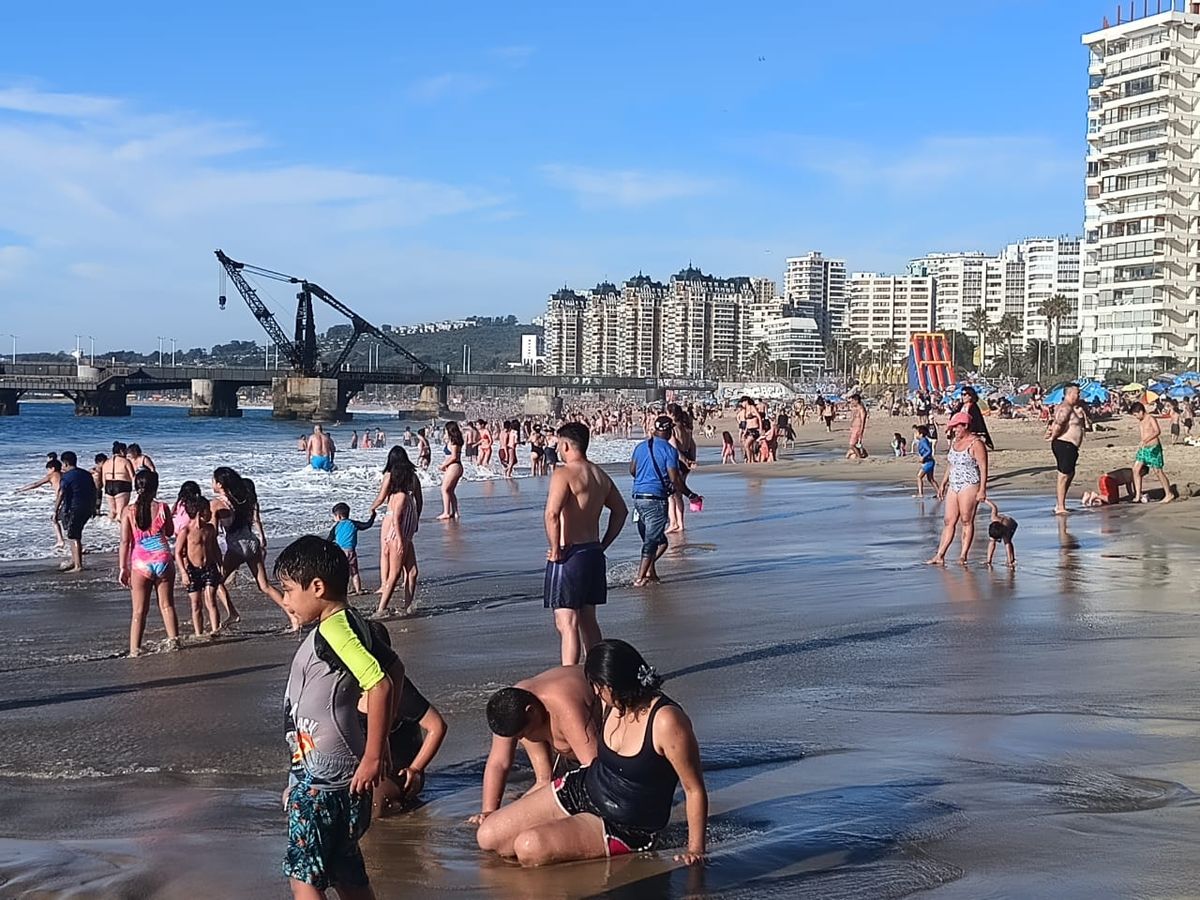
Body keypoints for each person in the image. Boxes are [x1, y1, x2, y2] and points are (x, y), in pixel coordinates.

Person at [476, 640, 708, 867]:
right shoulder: (613, 706)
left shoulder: (667, 721)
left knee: (529, 847)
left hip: (624, 824)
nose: (594, 693)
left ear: (614, 684)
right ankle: (563, 831)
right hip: (583, 788)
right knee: (488, 836)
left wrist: (695, 849)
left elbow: (693, 788)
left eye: (597, 686)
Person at [276, 536, 394, 900]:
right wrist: (381, 740)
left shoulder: (333, 629)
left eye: (288, 590)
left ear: (317, 587)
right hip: (337, 770)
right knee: (345, 868)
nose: (285, 600)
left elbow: (380, 683)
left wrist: (375, 755)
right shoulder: (353, 621)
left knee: (304, 876)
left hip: (322, 777)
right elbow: (396, 667)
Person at [470, 665, 601, 828]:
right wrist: (489, 812)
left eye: (521, 734)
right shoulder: (507, 707)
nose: (520, 739)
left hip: (600, 741)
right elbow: (499, 763)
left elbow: (595, 768)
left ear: (531, 711)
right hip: (547, 731)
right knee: (542, 784)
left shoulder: (563, 704)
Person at [543, 423, 628, 666]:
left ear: (566, 445)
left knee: (566, 622)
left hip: (570, 555)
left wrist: (556, 549)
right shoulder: (599, 474)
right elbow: (620, 511)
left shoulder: (564, 473)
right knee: (588, 619)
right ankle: (598, 673)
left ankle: (569, 675)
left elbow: (552, 514)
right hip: (592, 552)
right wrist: (603, 544)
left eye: (559, 444)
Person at [359, 621, 448, 817]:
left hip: (398, 772)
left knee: (373, 806)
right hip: (365, 763)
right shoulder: (352, 682)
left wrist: (416, 769)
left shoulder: (399, 688)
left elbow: (437, 726)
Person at [211, 467, 295, 627]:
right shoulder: (242, 498)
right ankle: (293, 617)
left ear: (220, 484)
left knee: (216, 581)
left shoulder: (217, 503)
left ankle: (232, 613)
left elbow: (213, 532)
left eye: (213, 480)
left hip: (236, 546)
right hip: (252, 541)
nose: (212, 483)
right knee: (265, 586)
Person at [628, 416, 699, 587]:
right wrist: (690, 495)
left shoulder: (640, 447)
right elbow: (674, 478)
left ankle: (651, 572)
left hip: (638, 498)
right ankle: (640, 576)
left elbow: (632, 470)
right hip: (656, 499)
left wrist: (645, 478)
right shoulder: (669, 450)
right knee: (654, 541)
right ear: (669, 431)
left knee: (656, 539)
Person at [119, 470, 180, 656]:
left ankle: (134, 650)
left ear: (136, 487)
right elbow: (169, 531)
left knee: (139, 611)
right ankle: (174, 643)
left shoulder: (128, 511)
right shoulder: (162, 507)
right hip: (163, 559)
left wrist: (123, 568)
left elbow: (125, 541)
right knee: (167, 605)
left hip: (140, 562)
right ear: (156, 487)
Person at [927, 412, 989, 566]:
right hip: (954, 484)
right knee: (949, 520)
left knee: (966, 520)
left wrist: (982, 489)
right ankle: (940, 555)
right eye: (953, 427)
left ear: (965, 426)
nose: (954, 430)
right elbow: (951, 464)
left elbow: (983, 467)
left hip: (969, 484)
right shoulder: (955, 442)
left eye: (957, 427)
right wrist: (943, 483)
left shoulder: (976, 443)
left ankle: (963, 556)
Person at [368, 447, 422, 617]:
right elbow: (396, 520)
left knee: (412, 572)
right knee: (396, 574)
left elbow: (384, 500)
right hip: (399, 536)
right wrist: (399, 539)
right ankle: (381, 608)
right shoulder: (401, 496)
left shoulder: (402, 492)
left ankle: (407, 607)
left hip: (404, 535)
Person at [175, 496, 224, 637]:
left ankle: (216, 631)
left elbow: (215, 548)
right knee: (196, 604)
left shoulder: (210, 529)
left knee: (211, 600)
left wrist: (220, 564)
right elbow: (178, 553)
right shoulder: (186, 531)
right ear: (200, 513)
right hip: (192, 570)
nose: (211, 513)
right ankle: (199, 633)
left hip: (209, 567)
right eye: (208, 510)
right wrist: (183, 573)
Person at [1045, 384, 1086, 516]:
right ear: (1069, 394)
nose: (1079, 396)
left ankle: (1060, 504)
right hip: (1064, 444)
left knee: (1070, 473)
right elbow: (1058, 424)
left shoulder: (1072, 408)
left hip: (1071, 446)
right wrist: (1053, 436)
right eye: (1077, 393)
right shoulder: (1065, 408)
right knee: (1063, 476)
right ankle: (1060, 506)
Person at [55, 451, 96, 573]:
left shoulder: (66, 477)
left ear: (66, 463)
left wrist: (55, 510)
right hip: (87, 507)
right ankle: (74, 560)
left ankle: (78, 565)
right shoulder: (86, 474)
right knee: (74, 534)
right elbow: (94, 490)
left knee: (74, 536)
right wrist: (94, 507)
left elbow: (61, 493)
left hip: (74, 508)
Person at [328, 503, 376, 596]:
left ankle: (342, 590)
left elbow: (329, 540)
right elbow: (367, 525)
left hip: (340, 552)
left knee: (341, 572)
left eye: (334, 516)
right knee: (354, 572)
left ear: (339, 516)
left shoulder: (336, 527)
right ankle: (358, 589)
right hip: (351, 552)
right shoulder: (353, 523)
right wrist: (373, 516)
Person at [1130, 401, 1174, 504]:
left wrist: (1146, 440)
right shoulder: (1140, 421)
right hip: (1144, 449)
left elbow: (1157, 431)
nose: (1136, 417)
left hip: (1153, 448)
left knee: (1158, 471)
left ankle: (1169, 494)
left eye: (1136, 415)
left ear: (1141, 411)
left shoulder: (1150, 418)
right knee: (1135, 470)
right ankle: (1137, 495)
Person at [18, 458, 66, 551]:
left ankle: (60, 540)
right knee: (63, 521)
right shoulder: (65, 474)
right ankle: (66, 541)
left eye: (48, 469)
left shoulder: (52, 475)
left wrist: (22, 489)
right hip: (69, 500)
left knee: (54, 519)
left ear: (52, 468)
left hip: (61, 500)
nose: (47, 472)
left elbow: (36, 484)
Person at [102, 442, 135, 521]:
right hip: (122, 485)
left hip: (108, 486)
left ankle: (107, 528)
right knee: (121, 512)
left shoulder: (106, 462)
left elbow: (103, 479)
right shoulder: (125, 461)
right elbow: (132, 476)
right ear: (121, 451)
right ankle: (119, 531)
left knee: (112, 512)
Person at [438, 421, 464, 520]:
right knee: (450, 490)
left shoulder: (454, 442)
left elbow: (453, 457)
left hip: (454, 466)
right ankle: (455, 512)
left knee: (444, 489)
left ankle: (446, 512)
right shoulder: (454, 440)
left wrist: (443, 465)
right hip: (455, 467)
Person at [983, 499, 1018, 568]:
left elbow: (1007, 545)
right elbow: (994, 507)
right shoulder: (994, 518)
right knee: (991, 541)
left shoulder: (1006, 529)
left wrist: (1009, 562)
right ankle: (988, 560)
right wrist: (984, 500)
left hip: (1012, 525)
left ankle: (1011, 559)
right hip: (999, 526)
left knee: (1007, 542)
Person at [960, 387, 994, 451]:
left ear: (970, 396)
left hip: (970, 429)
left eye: (964, 395)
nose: (962, 396)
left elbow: (977, 420)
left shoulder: (973, 407)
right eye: (961, 394)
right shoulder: (960, 406)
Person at [913, 424, 936, 499]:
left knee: (919, 477)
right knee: (930, 479)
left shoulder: (923, 440)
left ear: (921, 434)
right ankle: (939, 492)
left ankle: (920, 494)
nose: (915, 434)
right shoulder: (923, 440)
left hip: (929, 462)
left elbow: (929, 450)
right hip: (929, 461)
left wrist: (923, 457)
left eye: (916, 433)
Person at [845, 395, 867, 460]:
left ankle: (859, 457)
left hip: (858, 428)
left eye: (853, 401)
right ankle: (858, 454)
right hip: (854, 428)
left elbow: (863, 421)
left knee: (852, 444)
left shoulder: (861, 409)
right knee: (854, 446)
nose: (851, 402)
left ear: (856, 401)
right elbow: (853, 419)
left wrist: (861, 431)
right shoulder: (854, 408)